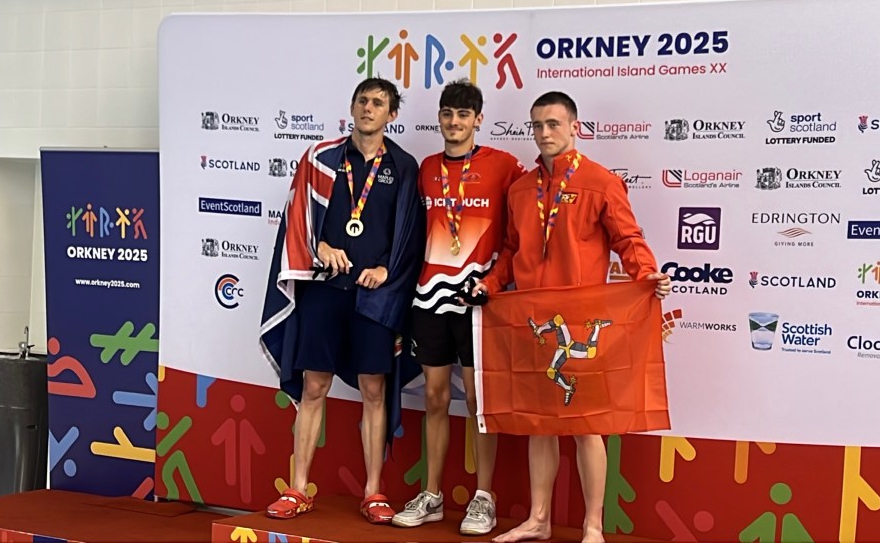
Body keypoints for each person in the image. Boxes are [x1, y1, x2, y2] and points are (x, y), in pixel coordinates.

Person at [470, 91, 672, 543]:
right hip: (535, 324)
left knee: (587, 426)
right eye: (537, 125)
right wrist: (491, 285)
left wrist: (646, 274)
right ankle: (538, 519)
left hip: (582, 325)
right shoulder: (521, 189)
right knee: (538, 423)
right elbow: (511, 251)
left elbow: (628, 239)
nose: (544, 133)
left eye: (553, 124)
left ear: (575, 127)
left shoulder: (601, 182)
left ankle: (592, 526)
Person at [260, 77, 425, 524]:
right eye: (362, 101)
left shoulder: (404, 167)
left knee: (374, 390)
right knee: (314, 386)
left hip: (374, 298)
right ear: (352, 108)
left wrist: (387, 270)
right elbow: (298, 219)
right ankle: (298, 488)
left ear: (392, 115)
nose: (368, 108)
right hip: (325, 290)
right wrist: (319, 248)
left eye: (378, 103)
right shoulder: (321, 158)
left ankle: (373, 491)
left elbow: (411, 235)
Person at [391, 80, 525, 536]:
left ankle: (483, 496)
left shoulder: (504, 165)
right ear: (439, 117)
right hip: (429, 296)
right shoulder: (427, 168)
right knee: (434, 397)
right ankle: (432, 495)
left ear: (478, 119)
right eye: (448, 114)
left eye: (463, 115)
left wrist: (493, 281)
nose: (454, 122)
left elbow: (522, 228)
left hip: (477, 300)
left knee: (477, 401)